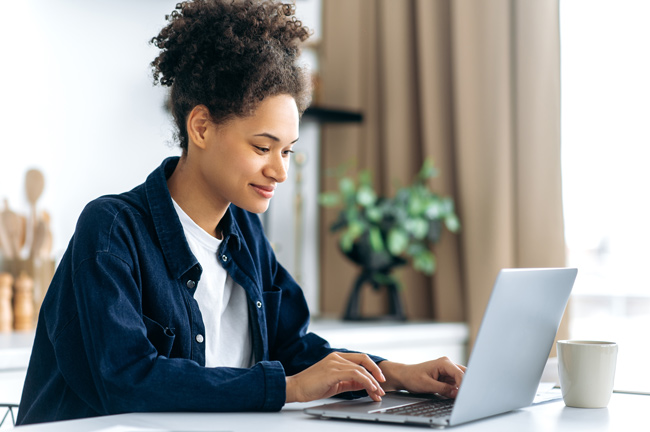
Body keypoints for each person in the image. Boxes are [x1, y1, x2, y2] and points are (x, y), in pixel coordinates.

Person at [16, 0, 465, 425]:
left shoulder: (246, 230)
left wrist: (399, 374)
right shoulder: (113, 230)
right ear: (201, 128)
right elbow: (129, 381)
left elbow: (293, 346)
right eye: (262, 147)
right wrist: (287, 389)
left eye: (287, 151)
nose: (280, 171)